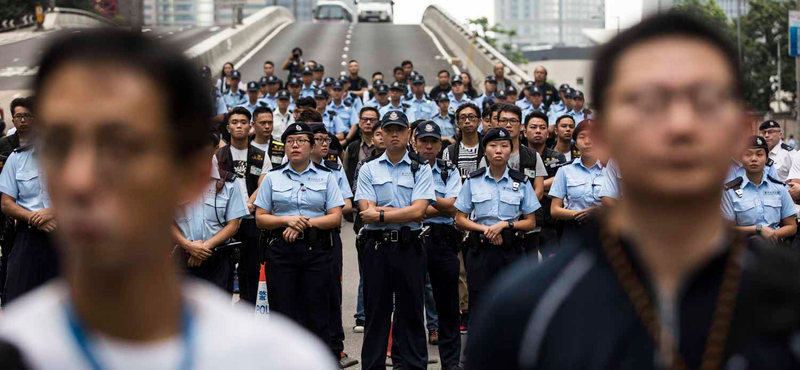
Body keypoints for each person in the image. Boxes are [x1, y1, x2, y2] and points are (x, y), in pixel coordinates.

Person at [466, 13, 800, 370]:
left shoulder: (789, 297)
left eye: (705, 102)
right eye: (649, 104)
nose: (680, 126)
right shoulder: (527, 311)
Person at [0, 29, 334, 369]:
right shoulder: (14, 350)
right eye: (58, 145)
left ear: (194, 175)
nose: (79, 179)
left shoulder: (275, 358)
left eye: (121, 147)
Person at [255, 122, 344, 363]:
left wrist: (304, 224)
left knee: (317, 314)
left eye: (301, 141)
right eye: (290, 141)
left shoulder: (327, 177)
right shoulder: (272, 178)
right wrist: (287, 220)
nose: (295, 145)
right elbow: (260, 218)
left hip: (317, 252)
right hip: (281, 252)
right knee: (283, 315)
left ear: (312, 145)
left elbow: (335, 217)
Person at [354, 111, 435, 370]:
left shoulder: (421, 167)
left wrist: (380, 212)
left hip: (410, 246)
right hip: (377, 247)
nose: (394, 134)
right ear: (382, 134)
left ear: (409, 132)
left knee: (411, 313)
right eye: (389, 130)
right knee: (376, 314)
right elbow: (364, 213)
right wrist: (393, 213)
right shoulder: (368, 168)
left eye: (399, 129)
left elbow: (419, 211)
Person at [454, 127, 539, 332]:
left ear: (511, 150)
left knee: (512, 302)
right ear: (485, 151)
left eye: (504, 146)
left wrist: (505, 225)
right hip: (480, 250)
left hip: (511, 251)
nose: (498, 150)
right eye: (493, 146)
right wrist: (486, 229)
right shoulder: (474, 181)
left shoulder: (521, 181)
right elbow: (460, 219)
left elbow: (531, 222)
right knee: (478, 302)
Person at [307, 123, 358, 368]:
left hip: (328, 238)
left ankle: (335, 348)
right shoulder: (290, 169)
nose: (325, 143)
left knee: (331, 291)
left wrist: (326, 208)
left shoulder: (334, 168)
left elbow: (347, 205)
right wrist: (327, 208)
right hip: (299, 239)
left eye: (326, 139)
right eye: (319, 139)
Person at [0, 97, 59, 307]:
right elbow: (6, 203)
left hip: (67, 234)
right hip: (29, 234)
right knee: (17, 296)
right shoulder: (17, 158)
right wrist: (34, 218)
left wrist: (52, 212)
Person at [415, 121, 464, 370]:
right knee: (411, 303)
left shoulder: (449, 170)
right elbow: (406, 207)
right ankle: (414, 361)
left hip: (442, 239)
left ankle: (451, 362)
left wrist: (420, 208)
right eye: (424, 140)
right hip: (412, 239)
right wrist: (438, 204)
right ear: (415, 142)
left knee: (448, 305)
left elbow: (454, 205)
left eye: (433, 141)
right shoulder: (408, 169)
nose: (429, 146)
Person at [173, 134, 248, 290]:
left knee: (219, 310)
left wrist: (202, 248)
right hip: (180, 258)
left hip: (217, 260)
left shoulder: (229, 182)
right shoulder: (172, 182)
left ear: (215, 149)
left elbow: (233, 225)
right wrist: (188, 245)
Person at [213, 107, 271, 306]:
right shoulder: (218, 156)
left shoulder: (261, 155)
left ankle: (250, 307)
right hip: (225, 221)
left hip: (251, 218)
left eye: (244, 122)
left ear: (250, 126)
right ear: (228, 127)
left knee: (252, 267)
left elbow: (263, 184)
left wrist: (249, 203)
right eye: (235, 122)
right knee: (225, 268)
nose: (239, 126)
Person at [722, 135, 797, 245]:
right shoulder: (730, 191)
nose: (753, 159)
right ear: (741, 158)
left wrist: (773, 234)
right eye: (748, 154)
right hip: (743, 250)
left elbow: (792, 226)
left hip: (775, 249)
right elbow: (727, 230)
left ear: (766, 158)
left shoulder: (779, 188)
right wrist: (758, 229)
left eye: (759, 154)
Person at [350, 123, 386, 333]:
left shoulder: (410, 165)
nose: (382, 137)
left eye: (385, 133)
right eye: (378, 134)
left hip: (396, 228)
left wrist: (379, 210)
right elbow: (359, 197)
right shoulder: (365, 165)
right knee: (367, 274)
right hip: (366, 226)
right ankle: (362, 315)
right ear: (372, 139)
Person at [548, 119, 604, 245]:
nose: (587, 142)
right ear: (576, 143)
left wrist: (597, 211)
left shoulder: (610, 170)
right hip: (574, 230)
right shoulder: (565, 170)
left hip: (603, 229)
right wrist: (578, 214)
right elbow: (555, 209)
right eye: (582, 137)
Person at [523, 111, 567, 258]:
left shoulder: (557, 157)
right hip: (525, 220)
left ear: (548, 133)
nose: (538, 131)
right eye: (533, 127)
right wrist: (543, 189)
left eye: (542, 128)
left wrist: (534, 185)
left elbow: (560, 180)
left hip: (550, 223)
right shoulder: (520, 157)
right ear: (524, 131)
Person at [443, 103, 483, 180]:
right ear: (458, 123)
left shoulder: (487, 148)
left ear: (479, 121)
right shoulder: (449, 152)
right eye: (463, 117)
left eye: (471, 117)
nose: (467, 121)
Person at [344, 107, 379, 189]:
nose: (368, 122)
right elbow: (345, 172)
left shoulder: (384, 146)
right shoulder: (352, 147)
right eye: (365, 119)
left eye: (372, 120)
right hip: (356, 192)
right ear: (359, 123)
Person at [251, 106, 286, 178]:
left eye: (270, 123)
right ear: (253, 125)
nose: (267, 126)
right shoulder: (245, 146)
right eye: (263, 123)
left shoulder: (281, 147)